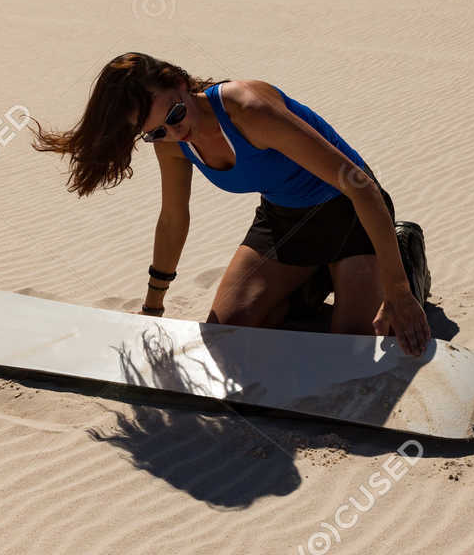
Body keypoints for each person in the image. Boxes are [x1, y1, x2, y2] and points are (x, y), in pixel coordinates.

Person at [31, 51, 431, 357]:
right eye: (155, 131)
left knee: (349, 349)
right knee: (230, 336)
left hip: (350, 214)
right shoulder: (172, 143)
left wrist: (397, 290)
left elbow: (361, 187)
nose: (174, 130)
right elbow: (173, 220)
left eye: (174, 112)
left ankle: (403, 258)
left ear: (183, 83)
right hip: (283, 222)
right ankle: (315, 280)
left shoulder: (248, 108)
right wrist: (153, 309)